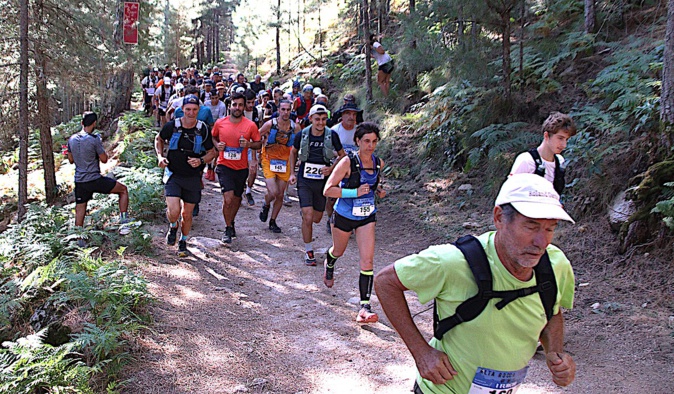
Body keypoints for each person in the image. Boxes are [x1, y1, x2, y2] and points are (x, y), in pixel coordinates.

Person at [375, 174, 577, 394]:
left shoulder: (555, 265)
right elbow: (386, 282)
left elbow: (551, 312)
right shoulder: (454, 262)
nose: (541, 242)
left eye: (550, 229)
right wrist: (421, 352)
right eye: (531, 226)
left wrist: (555, 354)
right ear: (499, 217)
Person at [323, 122, 386, 323]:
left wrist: (379, 191)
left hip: (366, 217)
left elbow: (373, 185)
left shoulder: (378, 163)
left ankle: (364, 307)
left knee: (367, 261)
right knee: (338, 251)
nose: (371, 145)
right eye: (366, 141)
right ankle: (330, 261)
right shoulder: (347, 163)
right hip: (343, 215)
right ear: (358, 141)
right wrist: (354, 192)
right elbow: (328, 190)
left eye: (374, 141)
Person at [155, 95, 217, 257]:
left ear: (199, 110)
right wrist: (160, 156)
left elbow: (212, 152)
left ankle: (183, 240)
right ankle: (173, 225)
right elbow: (159, 139)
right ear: (182, 109)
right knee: (174, 210)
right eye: (188, 109)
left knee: (187, 214)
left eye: (194, 110)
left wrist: (201, 160)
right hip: (173, 173)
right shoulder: (172, 126)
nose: (191, 113)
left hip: (193, 177)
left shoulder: (203, 129)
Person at [289, 105, 346, 266]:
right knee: (308, 217)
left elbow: (342, 156)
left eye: (323, 119)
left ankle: (307, 215)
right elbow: (293, 152)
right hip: (305, 180)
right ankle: (308, 250)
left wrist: (332, 169)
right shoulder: (302, 135)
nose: (320, 122)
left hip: (322, 182)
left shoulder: (331, 136)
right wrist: (292, 173)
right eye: (317, 119)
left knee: (316, 218)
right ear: (311, 119)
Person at [66, 112, 132, 246]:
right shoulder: (94, 139)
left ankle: (79, 239)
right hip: (95, 179)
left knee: (80, 208)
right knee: (123, 190)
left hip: (80, 181)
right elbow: (104, 159)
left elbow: (71, 160)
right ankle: (124, 223)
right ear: (94, 123)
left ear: (82, 123)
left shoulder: (72, 139)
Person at [211, 92, 262, 244]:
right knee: (228, 199)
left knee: (237, 199)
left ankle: (231, 221)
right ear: (229, 106)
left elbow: (259, 143)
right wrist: (217, 145)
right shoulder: (220, 123)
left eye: (240, 105)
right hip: (224, 165)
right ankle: (227, 228)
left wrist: (249, 145)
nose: (237, 107)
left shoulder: (250, 125)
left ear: (244, 106)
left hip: (241, 168)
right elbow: (213, 137)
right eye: (234, 104)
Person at [509, 112, 577, 195]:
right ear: (546, 136)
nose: (564, 145)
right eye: (560, 138)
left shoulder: (560, 161)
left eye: (566, 140)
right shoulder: (526, 160)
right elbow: (509, 192)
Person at [258, 100, 300, 233]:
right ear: (279, 110)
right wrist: (255, 153)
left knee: (280, 195)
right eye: (283, 109)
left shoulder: (295, 127)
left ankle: (273, 221)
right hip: (268, 160)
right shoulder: (270, 124)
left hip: (285, 162)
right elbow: (256, 136)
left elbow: (299, 145)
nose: (286, 112)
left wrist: (298, 159)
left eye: (288, 109)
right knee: (274, 192)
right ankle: (266, 204)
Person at [325, 101, 363, 234]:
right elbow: (328, 150)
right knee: (331, 196)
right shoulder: (334, 131)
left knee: (352, 195)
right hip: (335, 166)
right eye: (348, 114)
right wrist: (341, 154)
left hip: (354, 169)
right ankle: (331, 217)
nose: (351, 117)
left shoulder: (359, 131)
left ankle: (349, 220)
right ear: (342, 115)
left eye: (354, 114)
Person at [243, 89, 262, 205]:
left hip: (251, 144)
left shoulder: (256, 111)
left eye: (253, 102)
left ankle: (248, 190)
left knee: (253, 170)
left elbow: (258, 130)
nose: (251, 105)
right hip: (238, 145)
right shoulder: (237, 111)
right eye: (248, 102)